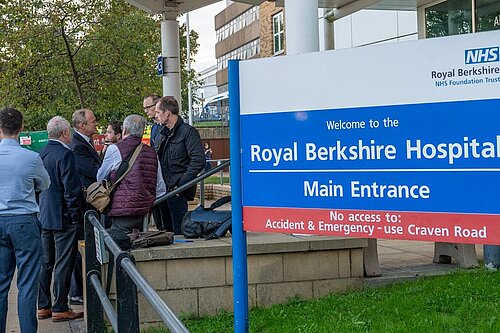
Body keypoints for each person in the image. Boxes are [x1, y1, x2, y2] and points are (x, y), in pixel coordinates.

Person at [0, 107, 51, 333]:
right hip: (24, 220)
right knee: (28, 284)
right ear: (21, 128)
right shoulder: (31, 158)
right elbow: (45, 184)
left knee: (1, 284)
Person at [37, 116, 84, 322]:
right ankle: (60, 307)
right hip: (64, 217)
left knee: (46, 262)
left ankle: (43, 305)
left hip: (44, 215)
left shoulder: (40, 154)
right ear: (65, 133)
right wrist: (75, 215)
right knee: (64, 262)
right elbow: (71, 189)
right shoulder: (65, 154)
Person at [97, 115, 166, 247]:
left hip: (121, 212)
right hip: (144, 213)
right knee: (140, 247)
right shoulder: (152, 152)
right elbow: (161, 188)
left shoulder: (114, 149)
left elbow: (100, 177)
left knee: (118, 248)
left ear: (125, 130)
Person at [155, 96, 205, 234]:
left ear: (167, 113)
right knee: (163, 231)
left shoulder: (188, 132)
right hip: (162, 191)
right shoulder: (161, 134)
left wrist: (181, 185)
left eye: (158, 112)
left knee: (178, 232)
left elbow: (198, 161)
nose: (156, 116)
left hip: (177, 192)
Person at [68, 108, 101, 305]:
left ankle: (79, 290)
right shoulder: (78, 146)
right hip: (84, 204)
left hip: (88, 202)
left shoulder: (83, 142)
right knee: (82, 247)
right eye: (93, 121)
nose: (96, 124)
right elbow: (93, 170)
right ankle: (77, 291)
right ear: (82, 125)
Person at [143, 94, 170, 231]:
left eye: (148, 107)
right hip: (156, 179)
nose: (146, 111)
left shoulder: (167, 128)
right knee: (159, 218)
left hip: (170, 181)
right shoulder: (154, 128)